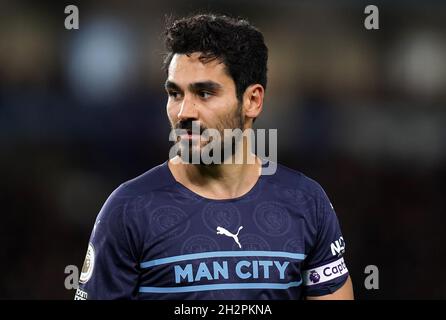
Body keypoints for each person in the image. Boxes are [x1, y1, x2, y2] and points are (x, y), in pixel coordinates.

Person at [75, 13, 353, 300]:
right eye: (175, 94)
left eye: (204, 93)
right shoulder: (129, 209)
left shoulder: (306, 203)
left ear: (252, 101)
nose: (184, 113)